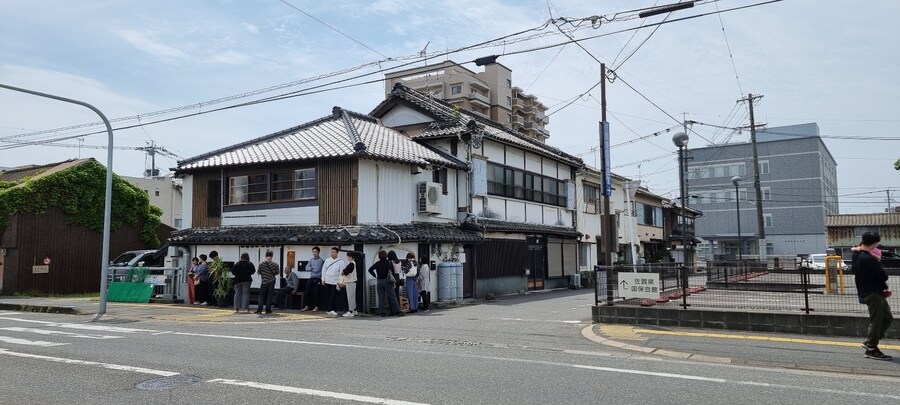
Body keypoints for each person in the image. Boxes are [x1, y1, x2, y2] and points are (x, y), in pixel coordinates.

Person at [851, 231, 893, 360]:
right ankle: (871, 346)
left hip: (867, 290)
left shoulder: (857, 254)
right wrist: (877, 260)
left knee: (887, 317)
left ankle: (871, 344)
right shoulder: (869, 258)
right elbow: (883, 276)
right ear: (875, 243)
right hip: (873, 292)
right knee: (878, 320)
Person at [369, 250, 402, 316]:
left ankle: (382, 312)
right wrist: (394, 282)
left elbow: (370, 269)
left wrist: (375, 275)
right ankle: (397, 311)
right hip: (387, 281)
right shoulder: (389, 262)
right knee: (392, 296)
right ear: (386, 255)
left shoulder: (377, 263)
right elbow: (392, 272)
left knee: (381, 297)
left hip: (379, 281)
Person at [321, 247, 346, 316]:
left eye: (334, 252)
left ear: (337, 253)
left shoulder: (341, 261)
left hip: (335, 282)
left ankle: (331, 310)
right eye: (331, 252)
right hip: (327, 281)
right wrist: (323, 279)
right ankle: (331, 309)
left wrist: (341, 282)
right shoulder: (327, 260)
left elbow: (342, 273)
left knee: (333, 296)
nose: (332, 253)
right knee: (328, 296)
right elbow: (324, 270)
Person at [300, 247, 324, 311]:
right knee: (307, 292)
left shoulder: (320, 260)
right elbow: (306, 268)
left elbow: (317, 269)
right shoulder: (311, 260)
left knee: (317, 293)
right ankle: (307, 306)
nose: (314, 253)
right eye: (313, 252)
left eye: (316, 252)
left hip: (318, 278)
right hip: (311, 277)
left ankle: (316, 306)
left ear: (318, 252)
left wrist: (311, 268)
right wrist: (312, 268)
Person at [339, 252, 359, 317]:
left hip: (350, 282)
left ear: (350, 256)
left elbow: (347, 271)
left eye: (347, 256)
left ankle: (350, 311)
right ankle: (354, 310)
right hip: (352, 282)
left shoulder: (351, 264)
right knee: (352, 297)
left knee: (350, 297)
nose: (347, 257)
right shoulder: (353, 263)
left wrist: (343, 272)